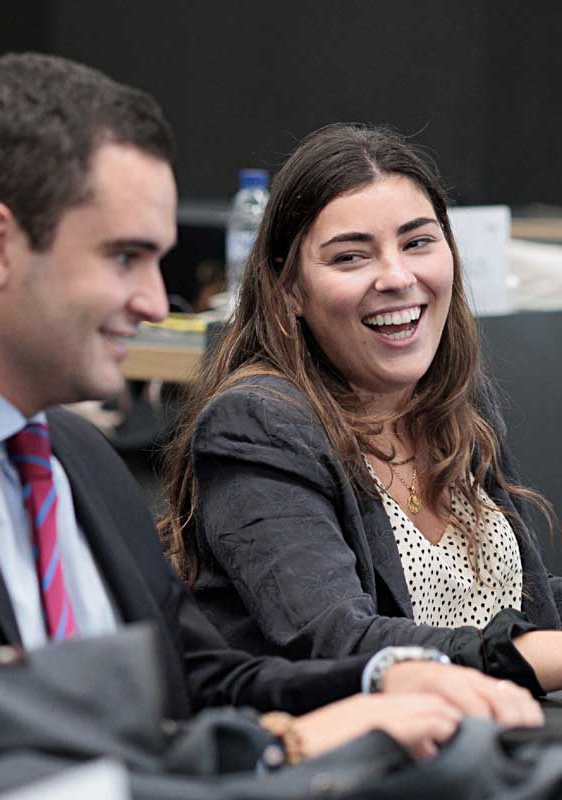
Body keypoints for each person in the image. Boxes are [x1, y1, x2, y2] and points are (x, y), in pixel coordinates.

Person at [0, 63, 539, 800]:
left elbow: (204, 678)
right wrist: (280, 746)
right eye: (125, 257)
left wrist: (386, 678)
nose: (153, 300)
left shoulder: (72, 455)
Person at [160, 123, 562, 698]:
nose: (397, 277)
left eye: (418, 243)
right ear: (290, 289)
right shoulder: (256, 425)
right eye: (350, 257)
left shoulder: (455, 403)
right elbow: (339, 642)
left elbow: (517, 604)